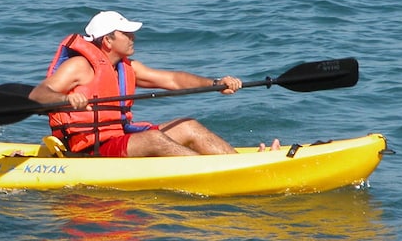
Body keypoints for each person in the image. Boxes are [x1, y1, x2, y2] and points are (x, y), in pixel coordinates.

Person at [29, 10, 279, 157]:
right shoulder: (79, 67)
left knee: (188, 126)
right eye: (125, 33)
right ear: (107, 41)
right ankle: (218, 171)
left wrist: (215, 83)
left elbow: (172, 79)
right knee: (153, 139)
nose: (132, 37)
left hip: (119, 138)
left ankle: (234, 163)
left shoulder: (128, 68)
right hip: (90, 150)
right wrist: (66, 99)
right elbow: (38, 95)